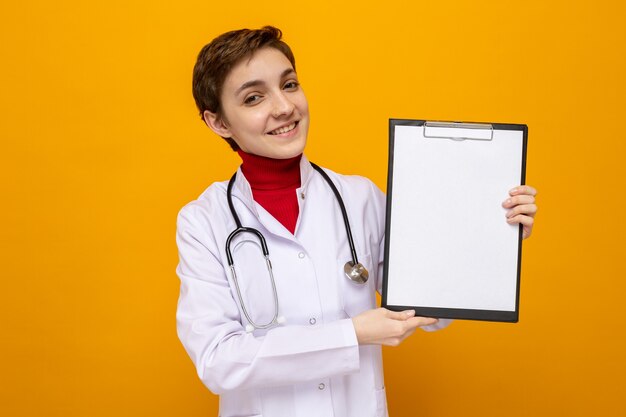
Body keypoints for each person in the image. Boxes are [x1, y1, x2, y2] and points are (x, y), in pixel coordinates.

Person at [176, 26, 538, 417]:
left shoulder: (359, 198)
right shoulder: (203, 222)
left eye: (290, 84)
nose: (284, 107)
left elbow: (429, 303)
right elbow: (218, 359)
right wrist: (352, 334)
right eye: (253, 97)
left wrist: (493, 233)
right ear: (219, 124)